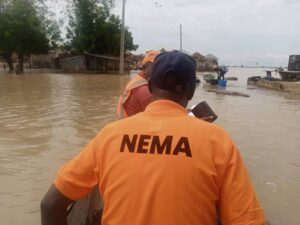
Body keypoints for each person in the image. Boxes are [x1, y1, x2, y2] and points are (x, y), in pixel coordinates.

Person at [41, 51, 266, 225]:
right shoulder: (218, 141)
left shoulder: (110, 135)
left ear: (149, 86)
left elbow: (50, 205)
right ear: (191, 92)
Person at [117, 50, 160, 119]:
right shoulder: (145, 90)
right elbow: (158, 118)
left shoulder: (137, 80)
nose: (159, 69)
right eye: (156, 65)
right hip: (131, 127)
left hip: (125, 124)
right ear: (146, 66)